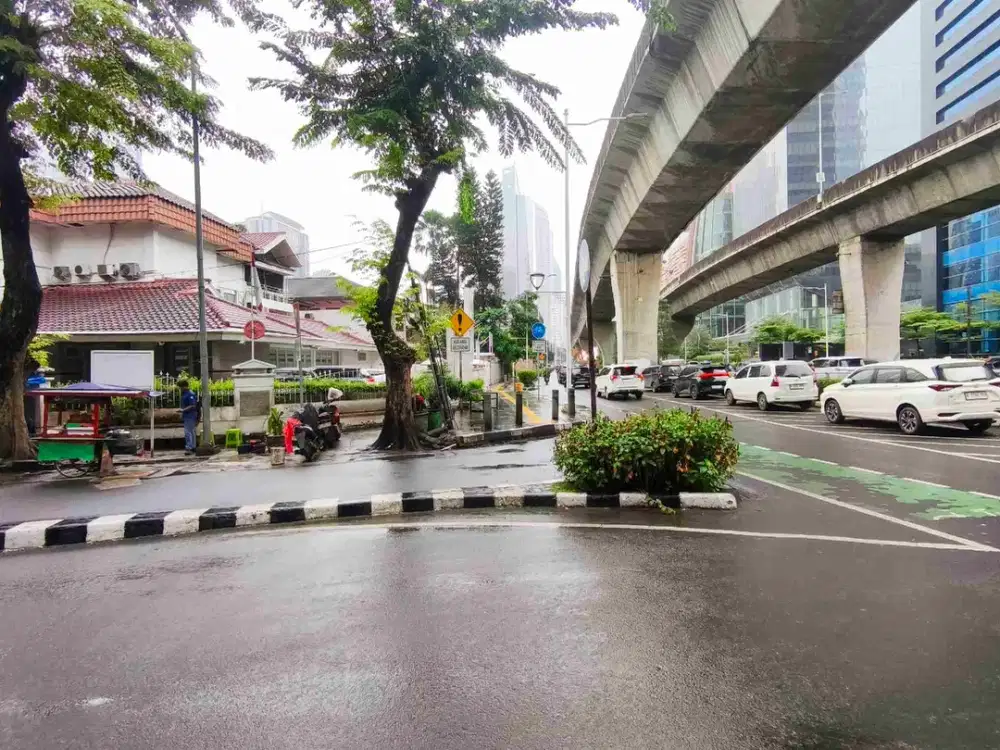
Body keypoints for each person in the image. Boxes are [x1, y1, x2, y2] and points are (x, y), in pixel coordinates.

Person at [178, 379, 198, 454]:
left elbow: (193, 405)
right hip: (187, 415)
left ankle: (189, 447)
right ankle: (193, 447)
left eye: (180, 387)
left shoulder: (190, 394)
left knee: (188, 432)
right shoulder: (184, 394)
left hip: (190, 415)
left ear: (184, 387)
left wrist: (183, 410)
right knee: (191, 432)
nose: (180, 389)